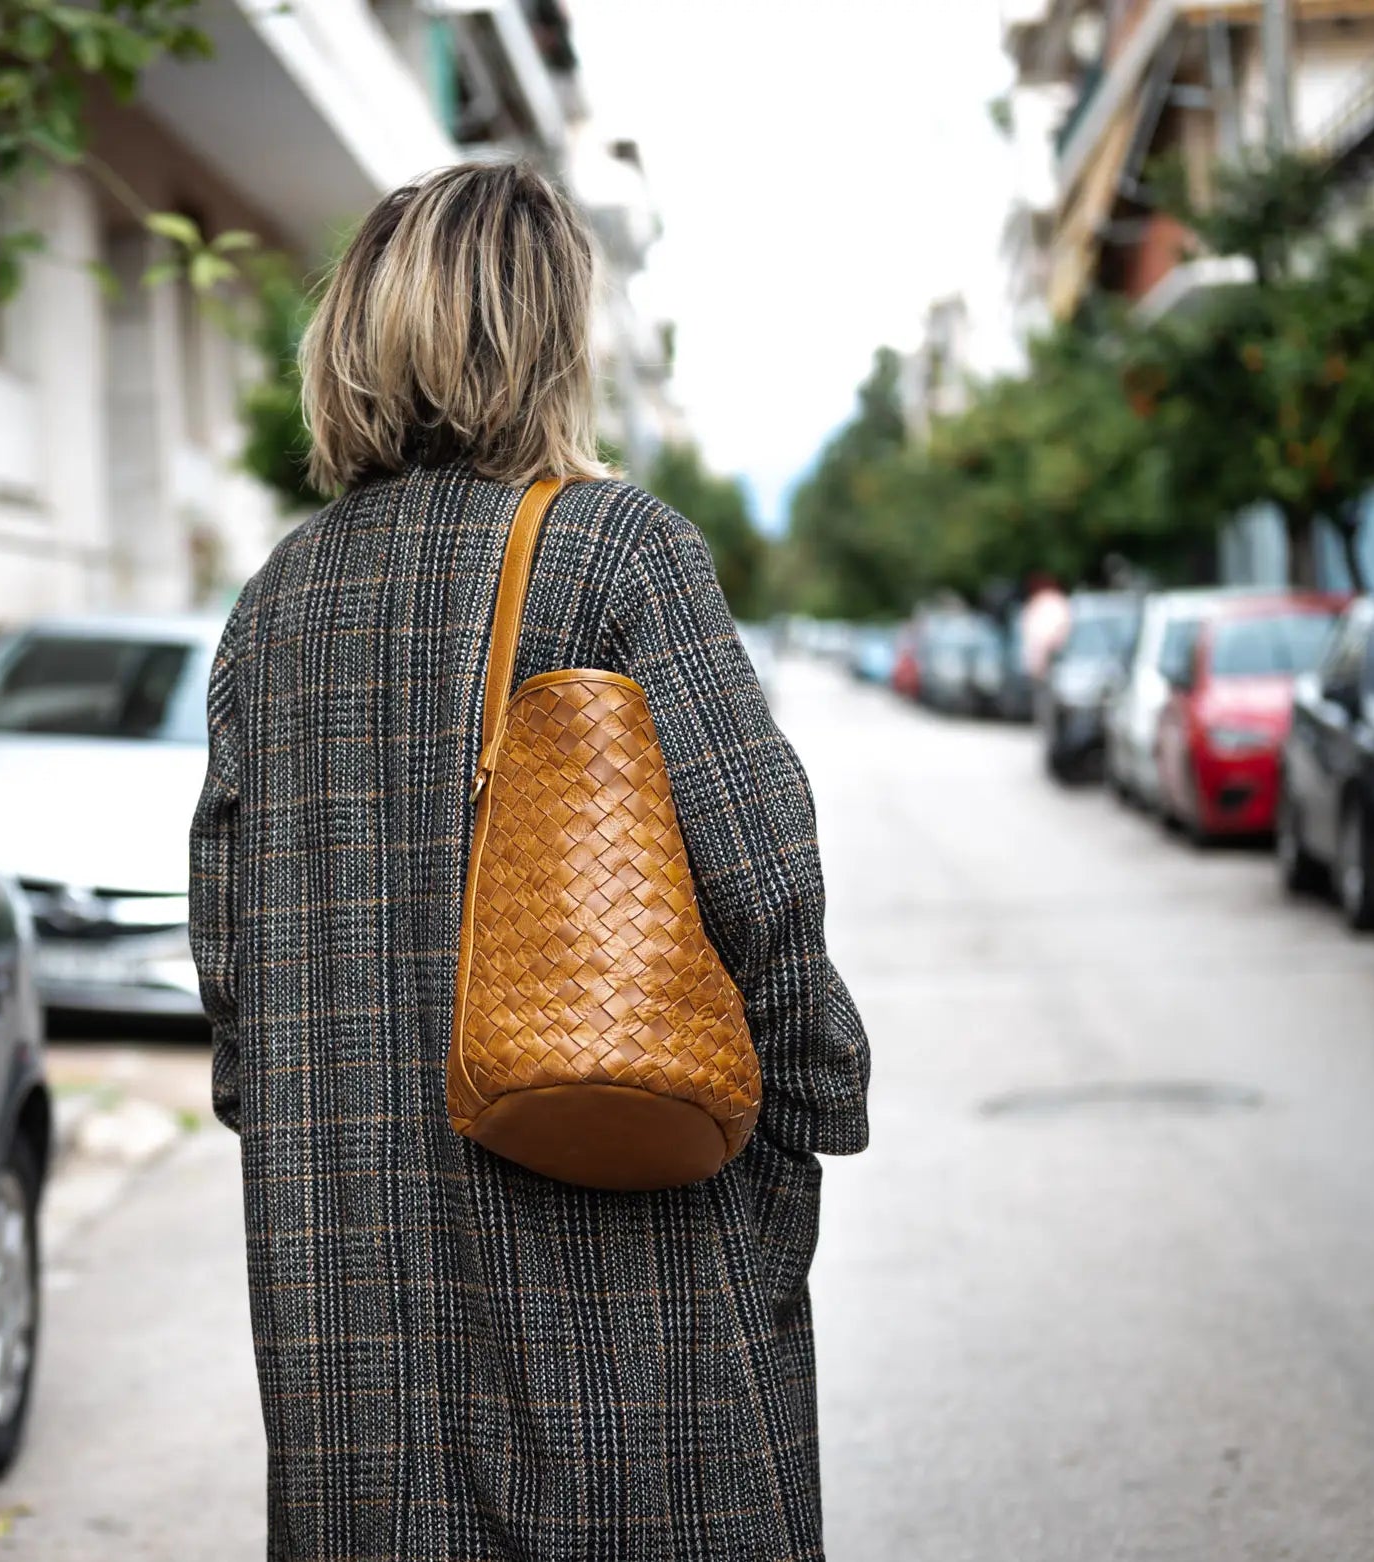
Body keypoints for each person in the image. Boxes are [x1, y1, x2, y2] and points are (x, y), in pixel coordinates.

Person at [189, 161, 871, 1561]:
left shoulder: (274, 607)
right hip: (628, 1282)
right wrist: (802, 1123)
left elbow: (233, 985)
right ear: (548, 336)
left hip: (353, 1331)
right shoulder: (618, 555)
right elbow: (765, 889)